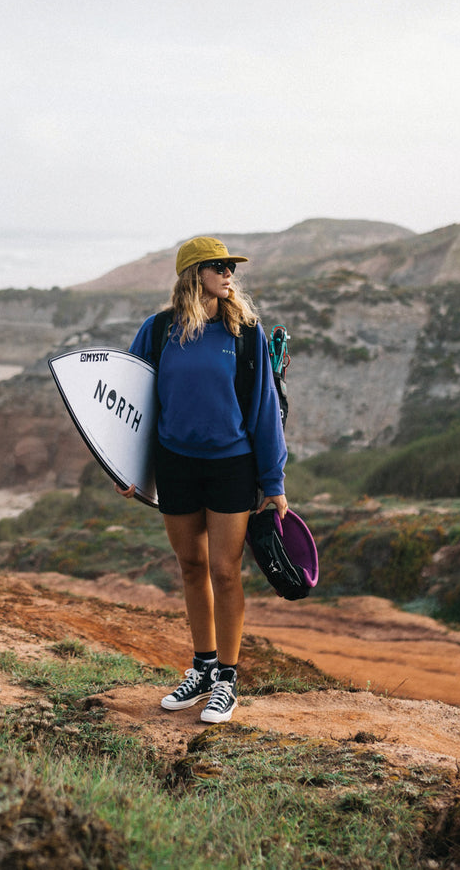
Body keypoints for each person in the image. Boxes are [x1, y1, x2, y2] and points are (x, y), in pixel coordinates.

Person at [118, 236, 288, 724]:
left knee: (225, 570)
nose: (229, 273)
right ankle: (203, 668)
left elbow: (265, 409)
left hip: (231, 464)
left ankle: (227, 681)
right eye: (218, 266)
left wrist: (273, 481)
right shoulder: (158, 331)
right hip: (175, 463)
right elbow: (132, 403)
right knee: (191, 566)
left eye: (231, 266)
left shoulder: (245, 332)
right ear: (195, 274)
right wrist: (126, 468)